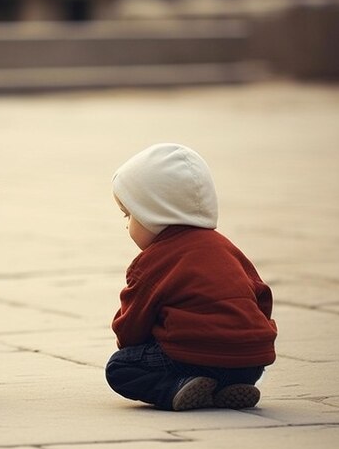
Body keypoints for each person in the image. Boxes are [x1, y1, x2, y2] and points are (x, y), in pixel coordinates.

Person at [106, 143, 277, 411]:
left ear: (154, 212)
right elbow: (262, 297)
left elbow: (131, 329)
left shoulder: (154, 261)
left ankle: (176, 386)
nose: (127, 225)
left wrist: (136, 345)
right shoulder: (228, 249)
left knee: (120, 367)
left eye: (129, 215)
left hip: (188, 356)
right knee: (221, 361)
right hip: (249, 362)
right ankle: (228, 385)